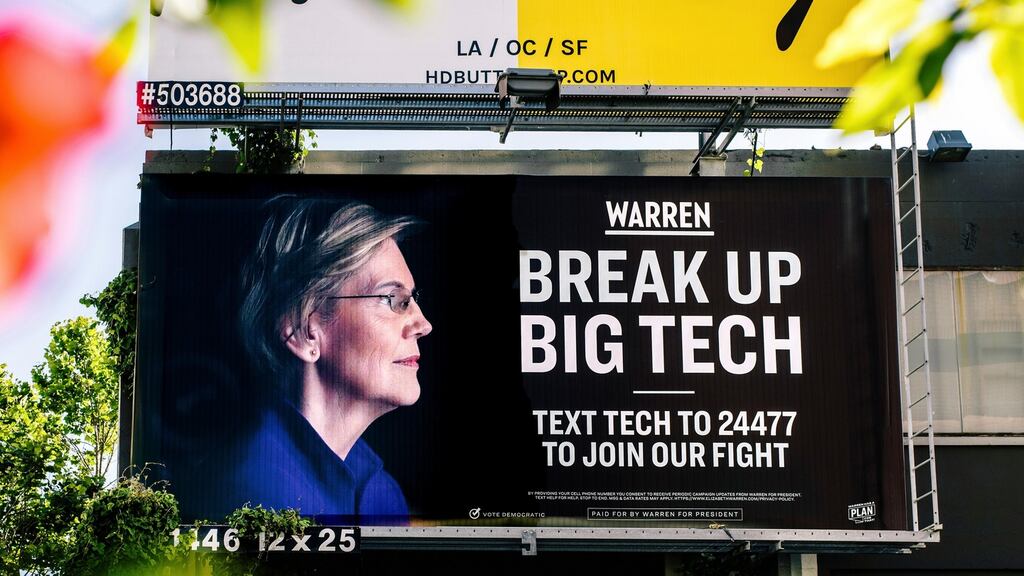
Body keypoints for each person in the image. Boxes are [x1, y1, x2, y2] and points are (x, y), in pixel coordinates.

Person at [230, 197, 432, 523]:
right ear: (304, 331)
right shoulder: (248, 490)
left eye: (412, 300)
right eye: (393, 300)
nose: (423, 325)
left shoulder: (383, 494)